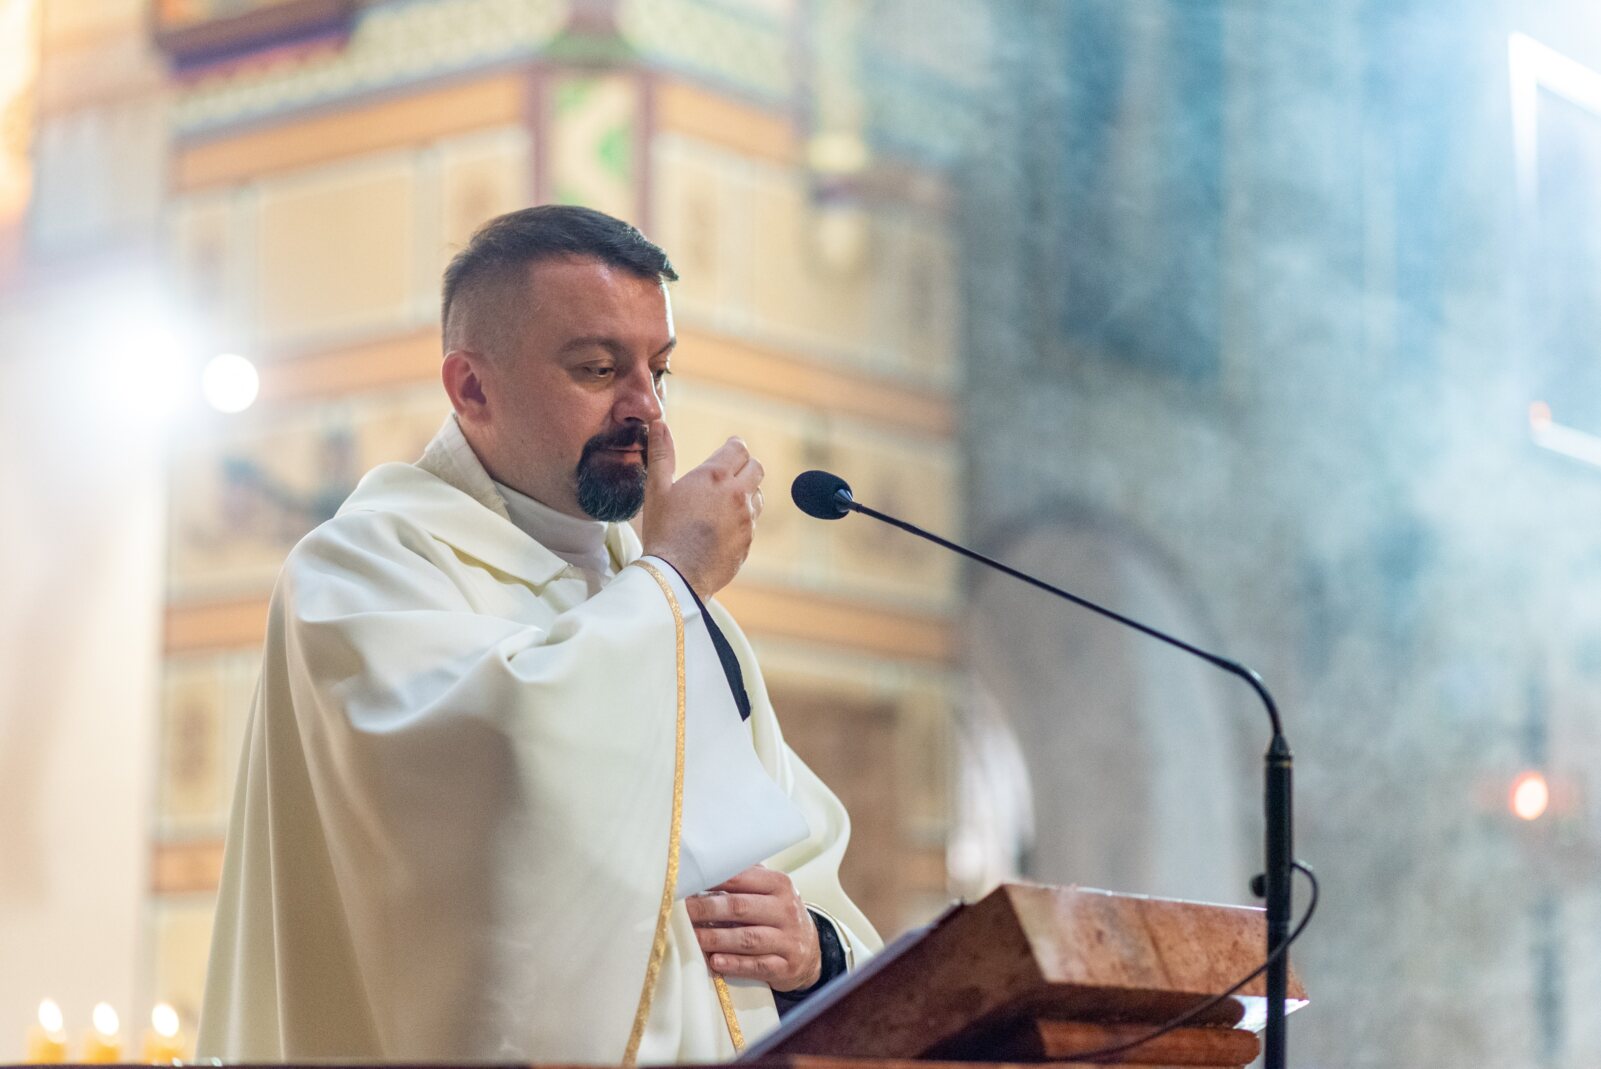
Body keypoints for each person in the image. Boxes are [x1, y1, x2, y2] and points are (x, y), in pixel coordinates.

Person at [197, 206, 880, 1064]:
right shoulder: (363, 571)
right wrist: (673, 577)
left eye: (659, 369)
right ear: (471, 388)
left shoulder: (656, 595)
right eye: (598, 369)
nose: (646, 408)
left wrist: (812, 949)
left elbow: (792, 850)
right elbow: (503, 774)